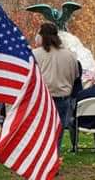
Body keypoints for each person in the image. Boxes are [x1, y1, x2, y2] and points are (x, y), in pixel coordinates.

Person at [32, 23, 79, 154]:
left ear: (41, 36)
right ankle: (53, 158)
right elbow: (75, 77)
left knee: (40, 131)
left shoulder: (35, 54)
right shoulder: (70, 56)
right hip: (62, 98)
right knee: (57, 131)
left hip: (42, 98)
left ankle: (41, 159)